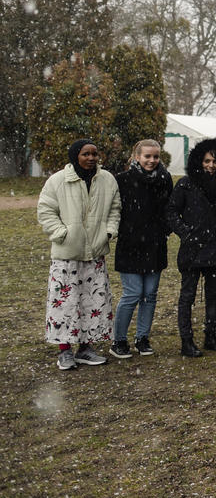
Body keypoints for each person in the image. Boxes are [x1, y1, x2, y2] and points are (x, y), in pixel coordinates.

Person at [38, 139, 121, 370]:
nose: (91, 158)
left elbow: (115, 209)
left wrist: (108, 232)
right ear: (76, 156)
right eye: (86, 154)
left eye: (94, 153)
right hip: (67, 254)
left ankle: (86, 348)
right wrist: (61, 233)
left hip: (94, 253)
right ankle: (64, 351)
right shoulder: (57, 181)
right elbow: (45, 210)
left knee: (92, 302)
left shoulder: (107, 180)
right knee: (65, 303)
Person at [167, 139, 216, 357]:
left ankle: (210, 335)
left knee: (213, 295)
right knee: (187, 296)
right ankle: (186, 340)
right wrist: (186, 233)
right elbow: (171, 212)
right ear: (199, 161)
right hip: (193, 249)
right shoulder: (186, 184)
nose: (211, 165)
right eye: (207, 161)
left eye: (215, 161)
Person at [111, 139, 173, 359]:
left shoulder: (164, 179)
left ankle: (142, 337)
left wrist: (165, 230)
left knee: (150, 295)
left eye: (155, 156)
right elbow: (115, 209)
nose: (151, 160)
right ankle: (119, 340)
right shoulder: (122, 180)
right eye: (147, 156)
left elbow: (169, 208)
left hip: (155, 244)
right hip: (130, 244)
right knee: (132, 293)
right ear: (137, 156)